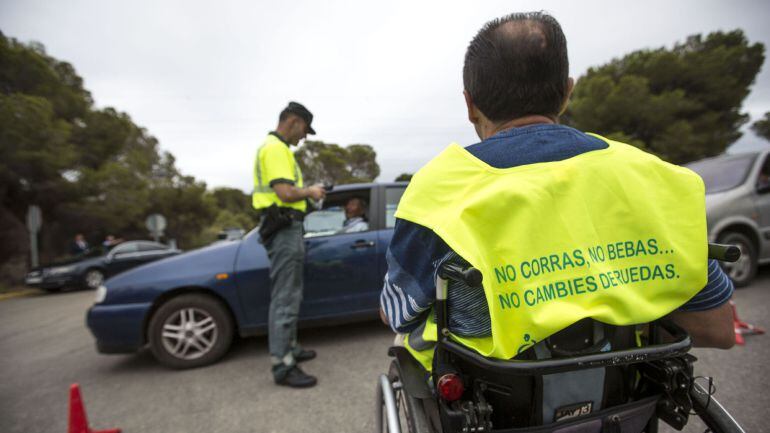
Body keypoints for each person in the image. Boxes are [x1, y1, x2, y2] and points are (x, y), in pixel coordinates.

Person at [380, 12, 735, 376]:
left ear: (470, 104)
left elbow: (397, 313)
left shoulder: (438, 189)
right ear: (567, 92)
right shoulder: (660, 177)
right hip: (624, 389)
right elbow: (718, 329)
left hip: (493, 396)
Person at [252, 101, 326, 388]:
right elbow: (284, 192)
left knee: (290, 294)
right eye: (305, 130)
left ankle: (290, 348)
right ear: (293, 121)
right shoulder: (276, 149)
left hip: (285, 228)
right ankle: (283, 366)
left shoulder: (276, 149)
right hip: (283, 229)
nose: (304, 137)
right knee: (285, 297)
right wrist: (312, 191)